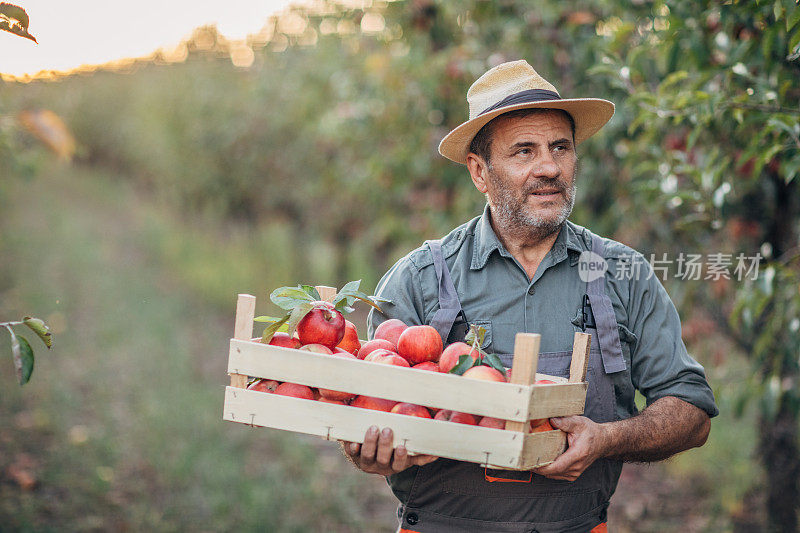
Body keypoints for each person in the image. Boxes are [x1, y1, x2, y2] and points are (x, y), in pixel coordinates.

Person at [341, 60, 718, 532]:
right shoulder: (417, 280)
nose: (549, 167)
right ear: (480, 172)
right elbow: (367, 416)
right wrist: (370, 452)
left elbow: (691, 408)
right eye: (524, 151)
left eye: (561, 147)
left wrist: (606, 439)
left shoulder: (623, 274)